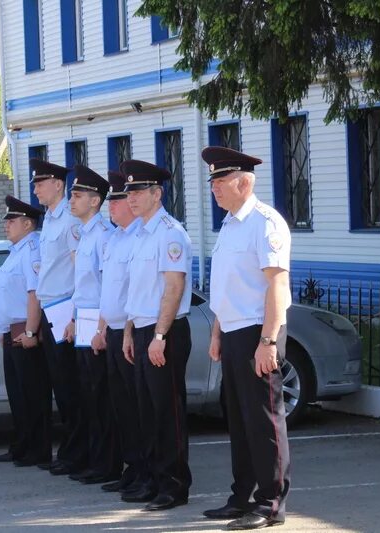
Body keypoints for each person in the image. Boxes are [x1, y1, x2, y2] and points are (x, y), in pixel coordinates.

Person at [201, 146, 292, 530]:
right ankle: (242, 496)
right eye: (213, 182)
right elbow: (227, 286)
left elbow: (277, 285)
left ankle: (271, 502)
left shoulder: (264, 222)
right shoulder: (230, 224)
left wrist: (268, 341)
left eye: (221, 181)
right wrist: (218, 331)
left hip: (259, 330)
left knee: (264, 421)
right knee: (238, 420)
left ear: (244, 182)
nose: (215, 189)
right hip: (234, 330)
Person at [120, 159, 193, 512]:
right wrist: (131, 331)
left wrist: (160, 336)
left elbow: (173, 287)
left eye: (137, 192)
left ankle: (173, 485)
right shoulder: (139, 234)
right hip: (143, 328)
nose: (130, 198)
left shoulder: (170, 232)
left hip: (166, 331)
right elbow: (139, 290)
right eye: (128, 192)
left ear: (156, 194)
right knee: (146, 412)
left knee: (168, 412)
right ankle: (151, 478)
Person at [62, 165, 119, 485]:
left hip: (97, 324)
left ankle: (107, 464)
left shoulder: (103, 236)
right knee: (88, 397)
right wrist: (72, 320)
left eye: (78, 194)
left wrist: (100, 329)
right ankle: (94, 460)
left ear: (95, 201)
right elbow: (80, 287)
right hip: (83, 322)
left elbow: (105, 289)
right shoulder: (84, 234)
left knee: (101, 398)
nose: (72, 199)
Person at [31, 158, 87, 476]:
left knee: (71, 386)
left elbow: (81, 271)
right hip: (50, 308)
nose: (36, 189)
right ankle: (70, 449)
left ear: (57, 185)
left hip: (66, 309)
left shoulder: (70, 221)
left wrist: (76, 316)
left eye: (41, 183)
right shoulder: (50, 220)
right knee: (60, 386)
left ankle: (77, 451)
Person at [95, 170, 147, 495]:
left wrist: (125, 330)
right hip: (112, 332)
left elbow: (135, 292)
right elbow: (107, 293)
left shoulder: (139, 237)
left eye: (118, 200)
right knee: (122, 408)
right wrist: (101, 329)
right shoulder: (114, 239)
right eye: (112, 200)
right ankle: (131, 468)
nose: (112, 206)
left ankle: (145, 470)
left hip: (131, 332)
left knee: (138, 407)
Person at [0, 195, 51, 467]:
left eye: (12, 221)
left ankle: (38, 449)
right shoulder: (15, 252)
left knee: (33, 393)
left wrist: (30, 331)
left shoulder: (32, 250)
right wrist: (4, 331)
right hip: (11, 331)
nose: (7, 226)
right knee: (17, 393)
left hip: (25, 331)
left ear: (28, 224)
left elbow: (33, 294)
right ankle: (22, 445)